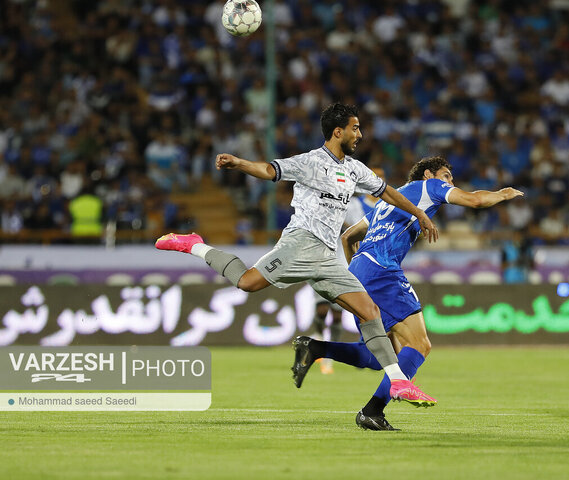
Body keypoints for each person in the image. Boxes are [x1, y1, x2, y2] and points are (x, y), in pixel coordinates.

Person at [156, 103, 440, 406]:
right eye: (355, 128)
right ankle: (194, 244)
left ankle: (398, 382)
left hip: (330, 255)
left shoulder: (355, 169)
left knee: (370, 312)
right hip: (301, 244)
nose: (360, 134)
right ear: (338, 131)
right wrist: (239, 163)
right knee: (247, 282)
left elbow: (388, 192)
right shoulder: (310, 162)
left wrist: (419, 214)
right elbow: (269, 170)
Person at [291, 156, 524, 430]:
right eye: (447, 175)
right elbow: (475, 200)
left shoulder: (390, 199)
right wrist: (502, 194)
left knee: (379, 356)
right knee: (420, 345)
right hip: (382, 271)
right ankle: (372, 411)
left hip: (360, 269)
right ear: (429, 174)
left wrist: (357, 272)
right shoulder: (430, 187)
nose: (450, 182)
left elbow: (348, 236)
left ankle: (316, 347)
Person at [313, 165, 386, 375]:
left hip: (349, 265)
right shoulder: (350, 203)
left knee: (337, 316)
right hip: (324, 261)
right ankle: (318, 340)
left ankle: (328, 357)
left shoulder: (382, 206)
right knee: (321, 310)